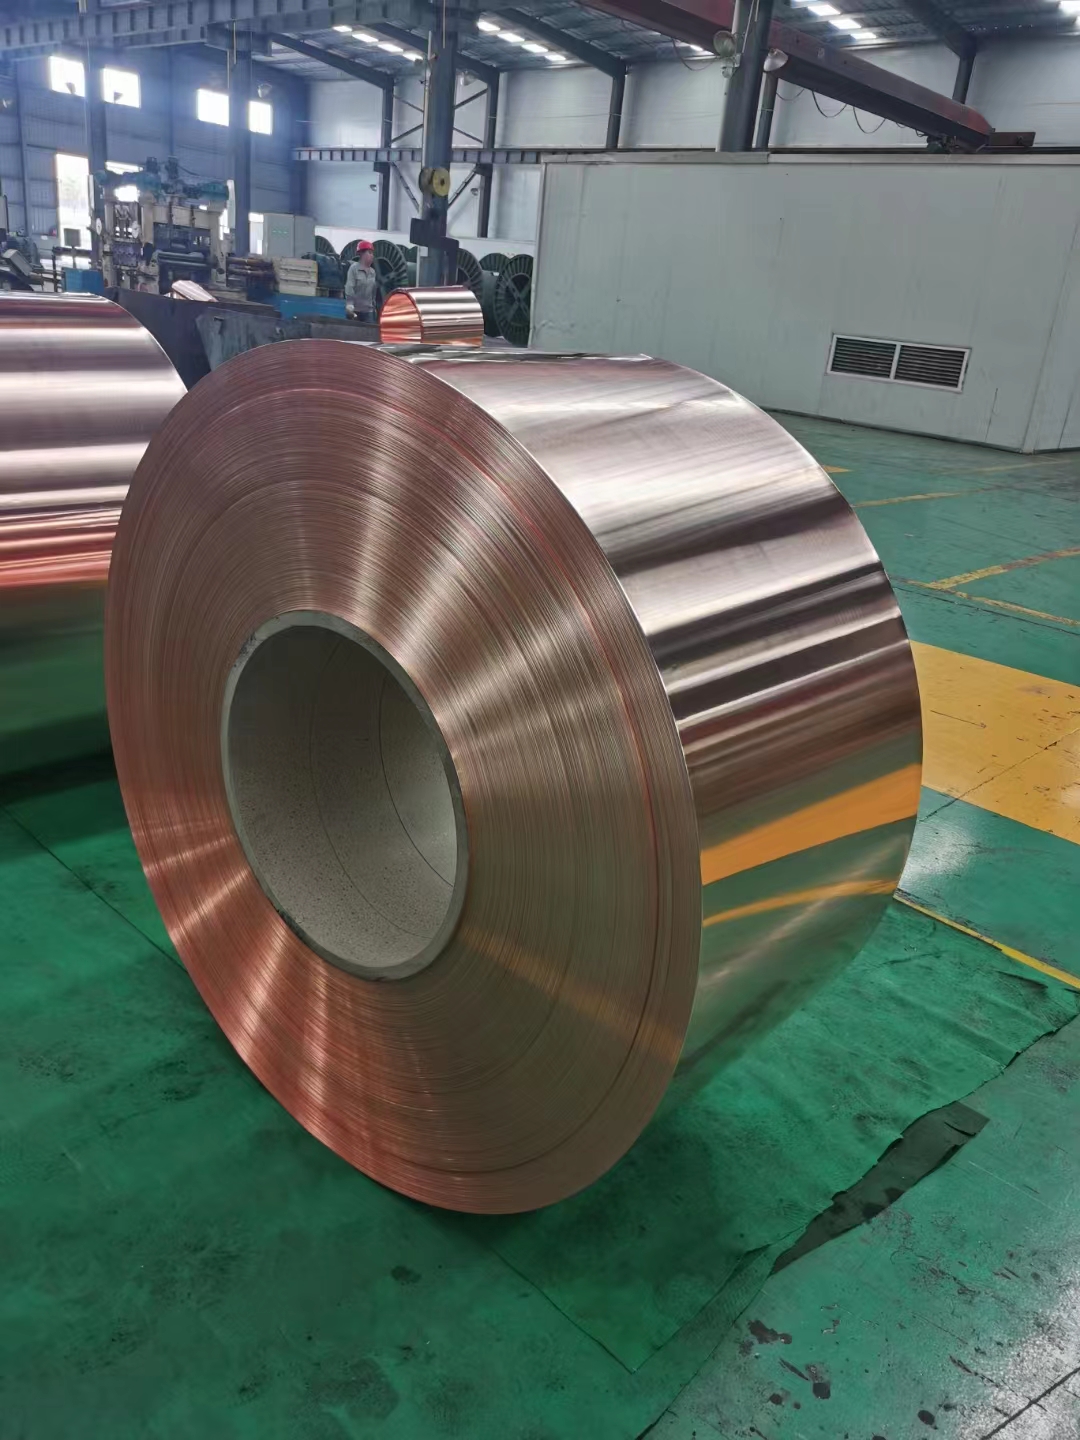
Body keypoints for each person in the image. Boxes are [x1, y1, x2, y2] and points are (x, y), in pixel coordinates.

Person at [344, 241, 378, 322]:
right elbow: (349, 287)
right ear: (361, 254)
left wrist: (374, 307)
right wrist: (350, 305)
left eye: (372, 253)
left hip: (368, 311)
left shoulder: (373, 272)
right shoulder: (354, 269)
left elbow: (373, 292)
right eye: (369, 253)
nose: (372, 256)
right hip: (355, 310)